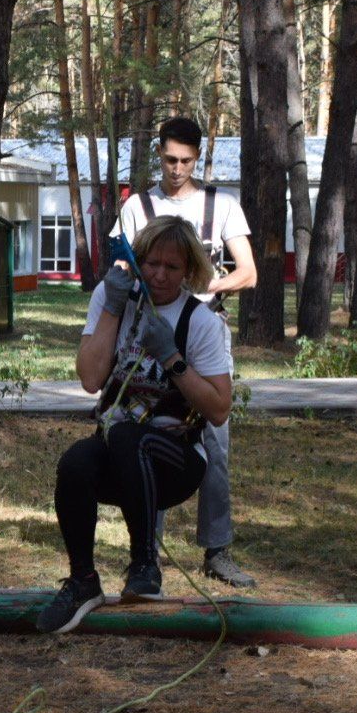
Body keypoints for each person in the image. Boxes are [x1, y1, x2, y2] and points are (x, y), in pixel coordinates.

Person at [38, 216, 234, 634]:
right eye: (150, 263)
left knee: (130, 438)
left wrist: (172, 360)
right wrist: (111, 308)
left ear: (189, 272)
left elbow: (219, 409)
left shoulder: (198, 321)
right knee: (75, 462)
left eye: (172, 267)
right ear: (135, 260)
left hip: (175, 463)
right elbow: (91, 379)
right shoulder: (112, 298)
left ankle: (145, 565)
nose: (159, 275)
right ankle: (83, 581)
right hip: (119, 453)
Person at [113, 115, 258, 588]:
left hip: (205, 333)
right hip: (153, 335)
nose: (177, 169)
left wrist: (202, 285)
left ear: (199, 159)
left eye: (186, 161)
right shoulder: (139, 206)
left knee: (214, 441)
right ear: (159, 153)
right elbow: (125, 261)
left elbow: (248, 272)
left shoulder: (223, 205)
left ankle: (217, 550)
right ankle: (146, 550)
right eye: (170, 159)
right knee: (144, 432)